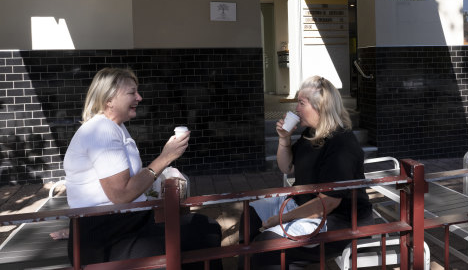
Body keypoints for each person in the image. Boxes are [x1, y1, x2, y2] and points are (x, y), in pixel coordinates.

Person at [63, 67, 222, 269]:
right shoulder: (102, 130)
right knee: (203, 231)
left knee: (201, 229)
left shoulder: (115, 126)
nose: (139, 97)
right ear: (109, 100)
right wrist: (165, 157)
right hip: (107, 239)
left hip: (126, 226)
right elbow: (121, 195)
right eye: (131, 92)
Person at [238, 76, 373, 269]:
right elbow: (287, 167)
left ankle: (258, 261)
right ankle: (249, 263)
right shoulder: (311, 133)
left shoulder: (342, 144)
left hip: (339, 220)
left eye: (301, 103)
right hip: (303, 204)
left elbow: (327, 203)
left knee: (267, 245)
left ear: (321, 107)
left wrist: (280, 220)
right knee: (250, 214)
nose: (296, 109)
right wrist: (284, 139)